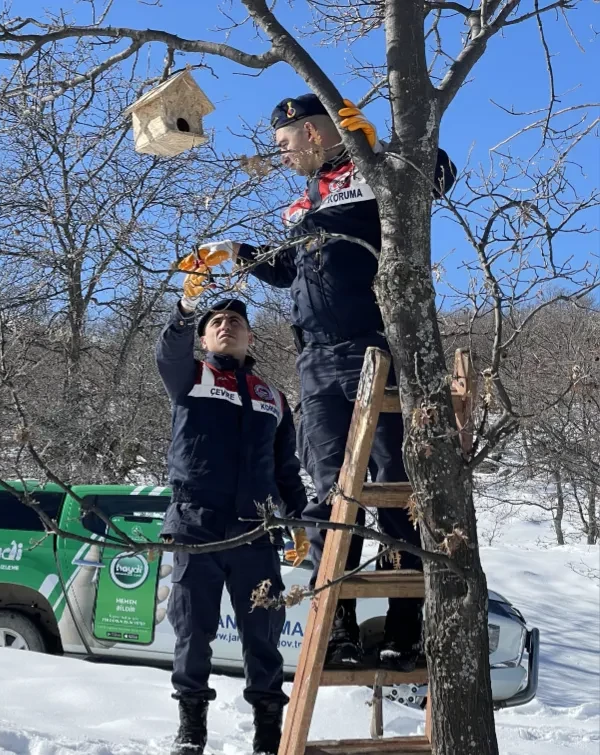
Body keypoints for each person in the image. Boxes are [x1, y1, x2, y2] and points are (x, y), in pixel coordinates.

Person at [194, 94, 457, 673]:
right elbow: (290, 269)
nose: (280, 156)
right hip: (316, 361)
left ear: (315, 135)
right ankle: (335, 628)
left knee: (393, 485)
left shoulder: (371, 176)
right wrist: (237, 253)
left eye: (285, 146)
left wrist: (379, 149)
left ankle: (404, 628)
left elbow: (435, 177)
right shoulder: (302, 205)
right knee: (330, 493)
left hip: (378, 349)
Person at [155, 262, 310, 755]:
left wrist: (299, 519)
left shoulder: (274, 398)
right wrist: (185, 310)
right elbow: (168, 351)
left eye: (237, 322)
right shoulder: (191, 376)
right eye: (216, 322)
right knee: (193, 630)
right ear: (204, 339)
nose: (227, 325)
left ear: (250, 339)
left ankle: (268, 732)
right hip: (196, 524)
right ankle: (191, 728)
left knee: (262, 633)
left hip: (255, 531)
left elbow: (286, 467)